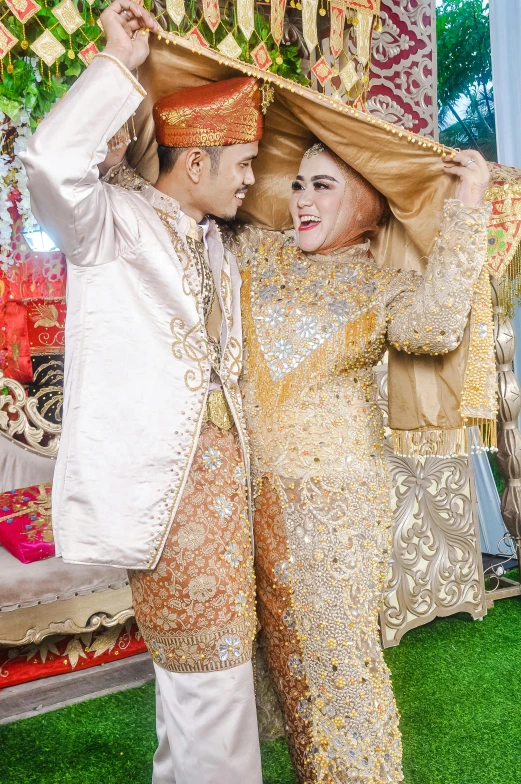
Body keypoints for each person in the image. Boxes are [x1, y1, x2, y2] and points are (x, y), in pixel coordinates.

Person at [19, 2, 265, 782]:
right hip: (169, 502)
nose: (254, 180)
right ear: (195, 163)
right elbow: (51, 162)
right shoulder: (112, 225)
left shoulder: (216, 243)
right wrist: (118, 68)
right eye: (244, 163)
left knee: (208, 685)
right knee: (210, 679)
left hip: (228, 497)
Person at [233, 142, 491, 782]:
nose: (303, 200)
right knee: (288, 666)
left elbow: (432, 327)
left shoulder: (385, 285)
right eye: (297, 186)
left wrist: (466, 205)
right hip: (254, 496)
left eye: (323, 186)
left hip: (338, 503)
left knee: (340, 666)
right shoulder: (258, 253)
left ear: (368, 207)